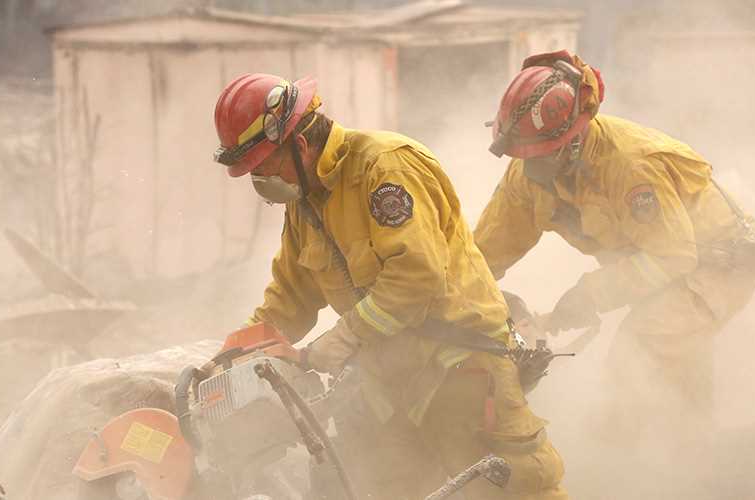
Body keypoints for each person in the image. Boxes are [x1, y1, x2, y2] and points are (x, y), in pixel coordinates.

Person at [212, 73, 569, 499]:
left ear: (300, 144)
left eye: (263, 167)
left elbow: (417, 276)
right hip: (390, 385)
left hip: (461, 369)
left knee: (511, 488)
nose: (261, 183)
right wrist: (228, 361)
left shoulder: (385, 168)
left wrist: (341, 339)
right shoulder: (304, 202)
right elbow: (289, 298)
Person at [474, 51, 755, 446]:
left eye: (540, 156)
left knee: (638, 353)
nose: (529, 168)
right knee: (680, 376)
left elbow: (674, 257)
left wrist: (591, 293)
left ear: (574, 141)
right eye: (523, 156)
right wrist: (456, 296)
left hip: (716, 267)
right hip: (666, 267)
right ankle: (696, 457)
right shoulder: (529, 171)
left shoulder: (631, 165)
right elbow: (483, 252)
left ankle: (621, 462)